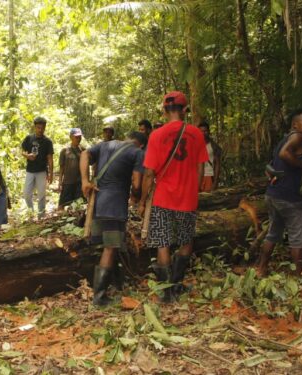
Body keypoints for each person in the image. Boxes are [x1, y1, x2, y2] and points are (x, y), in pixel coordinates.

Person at [138, 91, 208, 303]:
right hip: (187, 199)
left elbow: (149, 173)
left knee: (163, 243)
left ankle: (167, 292)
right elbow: (201, 167)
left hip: (162, 199)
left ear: (164, 110)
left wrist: (142, 201)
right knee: (186, 242)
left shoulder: (156, 135)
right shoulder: (196, 134)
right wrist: (193, 190)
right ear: (185, 110)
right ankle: (176, 284)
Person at [81, 133, 144, 306]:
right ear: (141, 145)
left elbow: (84, 154)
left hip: (98, 203)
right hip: (114, 206)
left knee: (110, 245)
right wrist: (136, 197)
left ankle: (115, 284)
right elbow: (137, 183)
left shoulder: (105, 145)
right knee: (110, 247)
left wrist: (85, 181)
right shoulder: (137, 153)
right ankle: (99, 297)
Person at [255, 109, 302, 277]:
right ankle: (297, 274)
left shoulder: (284, 139)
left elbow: (272, 164)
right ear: (295, 125)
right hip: (287, 197)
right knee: (297, 236)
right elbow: (284, 155)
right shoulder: (297, 136)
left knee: (273, 233)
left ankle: (261, 269)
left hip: (273, 194)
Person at [21, 117, 54, 218]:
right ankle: (31, 212)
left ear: (45, 128)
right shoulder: (28, 138)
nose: (40, 130)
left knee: (42, 195)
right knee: (26, 194)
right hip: (30, 171)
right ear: (35, 127)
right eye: (38, 127)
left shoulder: (47, 142)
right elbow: (23, 151)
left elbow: (50, 158)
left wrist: (51, 174)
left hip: (42, 171)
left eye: (42, 128)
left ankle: (41, 216)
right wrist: (28, 156)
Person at [58, 128, 85, 210]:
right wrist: (60, 182)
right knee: (63, 204)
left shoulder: (83, 150)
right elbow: (61, 167)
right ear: (71, 137)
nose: (78, 139)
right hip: (68, 182)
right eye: (76, 137)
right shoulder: (65, 150)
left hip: (79, 182)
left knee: (78, 204)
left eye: (79, 137)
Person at [198, 120, 223, 192]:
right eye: (201, 131)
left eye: (205, 131)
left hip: (209, 176)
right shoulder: (195, 145)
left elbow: (217, 164)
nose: (203, 133)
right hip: (197, 177)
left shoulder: (214, 146)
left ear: (209, 131)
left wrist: (215, 182)